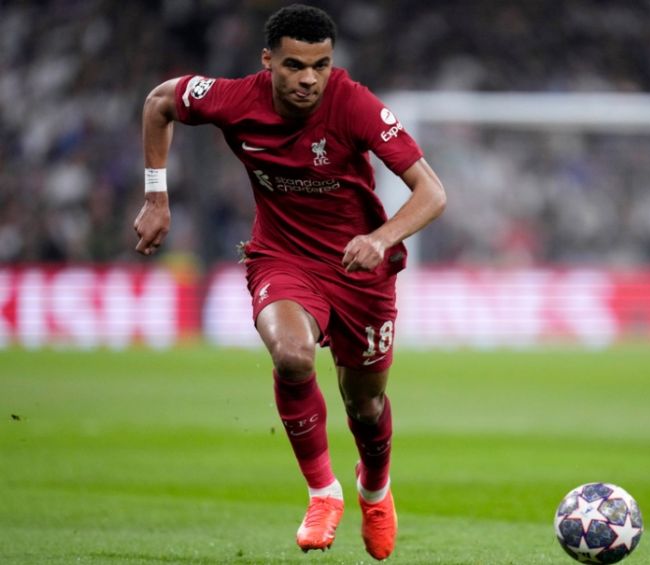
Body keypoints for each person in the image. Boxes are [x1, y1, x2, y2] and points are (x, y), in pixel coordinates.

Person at [132, 4, 446, 560]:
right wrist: (157, 196)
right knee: (292, 355)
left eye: (320, 65)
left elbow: (432, 192)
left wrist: (381, 238)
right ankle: (323, 493)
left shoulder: (355, 104)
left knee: (366, 405)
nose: (309, 79)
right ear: (267, 61)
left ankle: (375, 489)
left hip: (359, 270)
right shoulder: (233, 99)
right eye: (295, 65)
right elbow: (160, 102)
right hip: (283, 258)